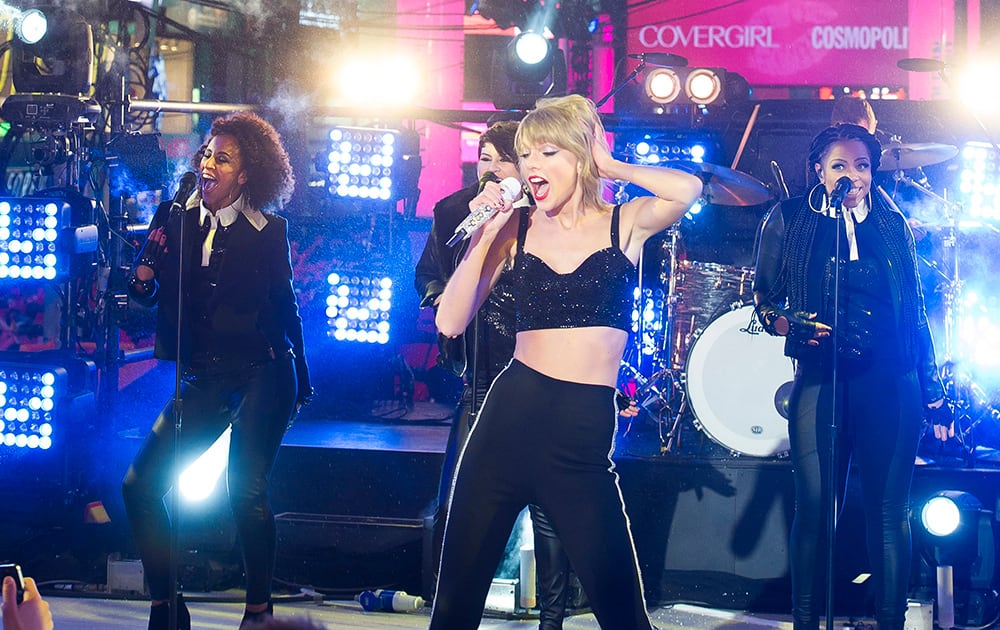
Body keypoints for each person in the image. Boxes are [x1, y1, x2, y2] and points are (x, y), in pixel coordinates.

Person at [431, 94, 703, 629]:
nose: (531, 166)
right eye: (526, 155)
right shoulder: (518, 228)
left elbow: (687, 189)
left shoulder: (624, 222)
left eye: (548, 152)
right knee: (456, 601)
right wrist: (483, 237)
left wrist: (611, 164)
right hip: (507, 419)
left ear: (581, 157)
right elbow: (450, 322)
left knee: (620, 605)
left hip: (579, 434)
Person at [752, 123, 953, 630]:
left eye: (861, 166)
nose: (853, 176)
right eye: (839, 166)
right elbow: (764, 300)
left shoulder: (892, 224)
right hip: (822, 377)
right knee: (816, 507)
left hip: (892, 380)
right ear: (819, 171)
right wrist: (792, 324)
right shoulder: (792, 218)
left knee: (889, 512)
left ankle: (890, 622)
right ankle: (805, 623)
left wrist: (932, 391)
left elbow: (915, 311)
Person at [122, 111, 313, 630]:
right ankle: (165, 604)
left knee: (244, 490)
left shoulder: (268, 231)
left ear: (246, 174)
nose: (207, 163)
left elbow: (286, 306)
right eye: (207, 153)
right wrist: (140, 280)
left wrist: (304, 378)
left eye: (221, 158)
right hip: (204, 374)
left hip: (263, 370)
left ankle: (257, 612)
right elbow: (144, 295)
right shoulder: (176, 218)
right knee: (138, 486)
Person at [414, 120, 576, 628]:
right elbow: (428, 274)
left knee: (549, 504)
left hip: (533, 366)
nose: (488, 169)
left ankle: (554, 615)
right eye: (482, 158)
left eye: (500, 160)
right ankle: (446, 600)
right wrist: (442, 294)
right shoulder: (453, 212)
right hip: (478, 371)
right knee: (457, 496)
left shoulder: (544, 219)